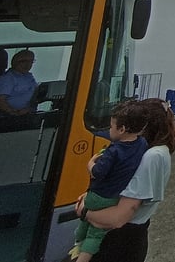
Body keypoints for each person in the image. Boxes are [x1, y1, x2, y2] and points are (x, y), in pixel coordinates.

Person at [77, 98, 175, 262]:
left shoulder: (152, 156)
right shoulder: (151, 150)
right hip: (130, 236)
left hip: (121, 240)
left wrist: (85, 212)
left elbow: (119, 217)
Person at [70, 101, 150, 262]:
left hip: (98, 195)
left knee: (90, 230)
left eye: (111, 127)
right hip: (115, 198)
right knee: (96, 234)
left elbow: (98, 173)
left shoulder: (114, 150)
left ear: (122, 129)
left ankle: (79, 251)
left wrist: (91, 163)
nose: (109, 130)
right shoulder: (142, 144)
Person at [0, 49, 38, 116]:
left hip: (28, 113)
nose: (28, 64)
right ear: (15, 62)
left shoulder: (29, 77)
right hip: (10, 117)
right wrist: (14, 113)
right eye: (24, 61)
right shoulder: (8, 78)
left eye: (31, 61)